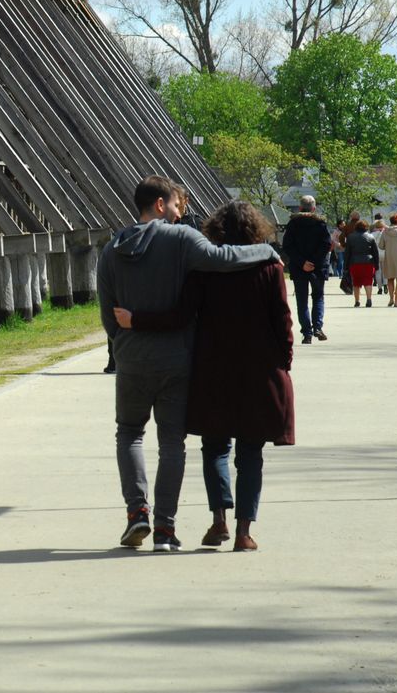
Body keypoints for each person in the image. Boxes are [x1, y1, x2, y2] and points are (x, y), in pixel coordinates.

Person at [98, 176, 278, 552]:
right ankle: (164, 528)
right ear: (160, 205)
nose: (182, 214)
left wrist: (125, 344)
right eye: (178, 206)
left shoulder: (112, 248)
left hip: (131, 358)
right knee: (171, 443)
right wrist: (267, 251)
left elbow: (108, 315)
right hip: (176, 359)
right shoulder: (180, 240)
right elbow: (224, 257)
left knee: (129, 433)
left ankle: (137, 512)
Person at [281, 195, 331, 344]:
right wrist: (314, 261)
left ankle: (307, 333)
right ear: (314, 208)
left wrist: (302, 262)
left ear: (300, 208)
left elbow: (288, 246)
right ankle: (317, 327)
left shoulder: (293, 224)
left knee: (301, 301)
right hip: (317, 267)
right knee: (318, 297)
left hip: (298, 267)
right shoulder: (321, 224)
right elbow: (326, 245)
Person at [345, 220, 378, 307]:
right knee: (368, 281)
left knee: (356, 282)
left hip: (354, 262)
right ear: (366, 227)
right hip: (368, 262)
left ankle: (357, 301)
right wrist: (377, 265)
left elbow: (347, 253)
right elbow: (375, 253)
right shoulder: (371, 237)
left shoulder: (350, 237)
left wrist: (345, 266)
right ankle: (369, 299)